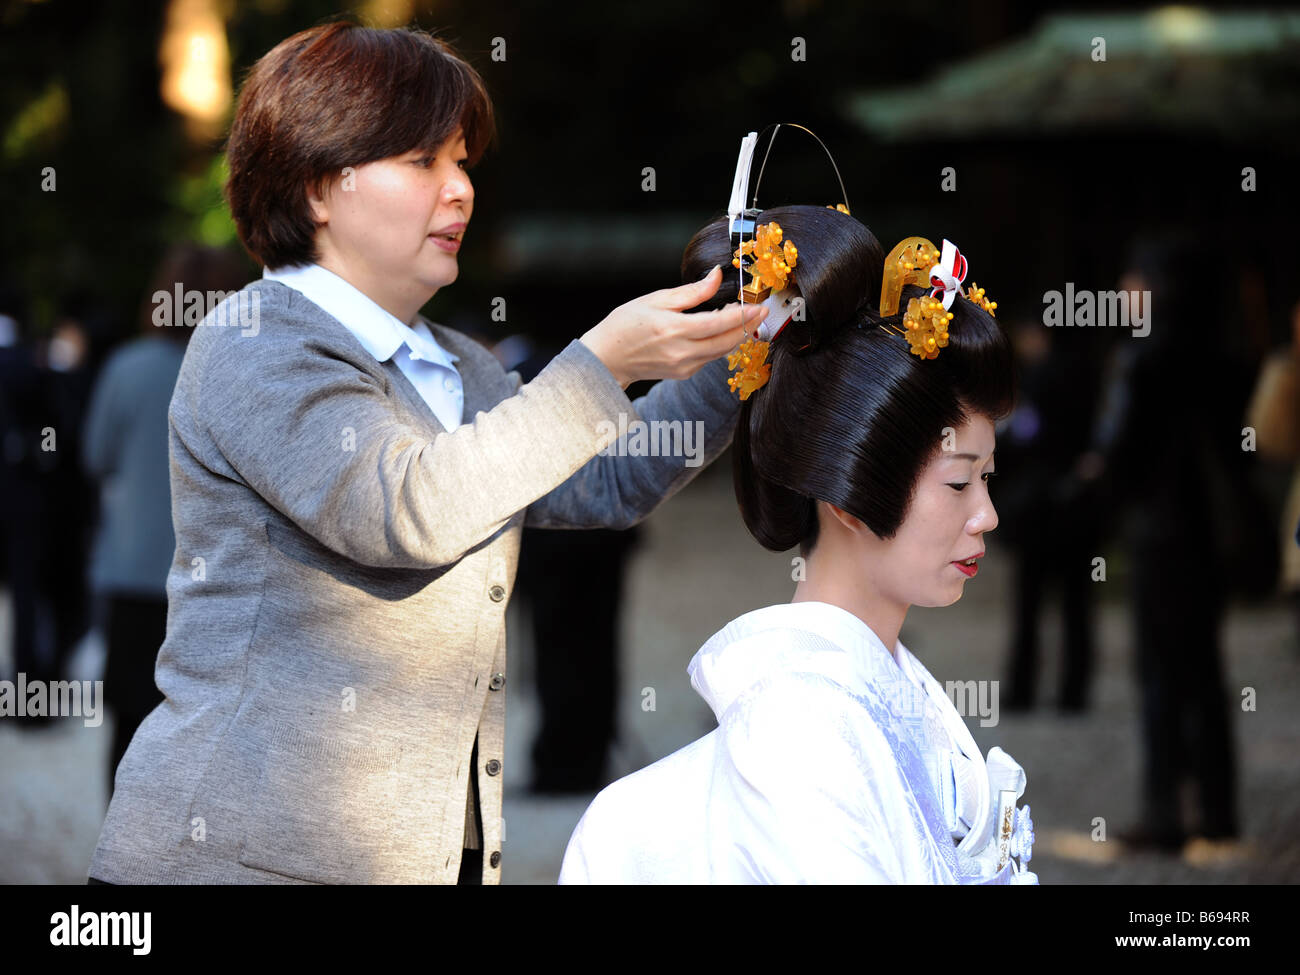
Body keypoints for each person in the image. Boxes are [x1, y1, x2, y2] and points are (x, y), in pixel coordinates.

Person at [86, 21, 765, 885]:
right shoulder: (254, 339)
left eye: (464, 161)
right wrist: (603, 363)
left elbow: (608, 479)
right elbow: (401, 507)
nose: (461, 190)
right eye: (424, 161)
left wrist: (751, 349)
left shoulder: (455, 361)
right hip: (236, 860)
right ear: (319, 186)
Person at [559, 206, 1038, 884]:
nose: (986, 515)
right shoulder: (795, 729)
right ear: (845, 493)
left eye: (986, 478)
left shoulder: (901, 687)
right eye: (959, 482)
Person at [81, 243, 251, 794]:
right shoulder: (243, 371)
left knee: (131, 724)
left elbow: (94, 456)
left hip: (134, 570)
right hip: (222, 578)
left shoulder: (125, 368)